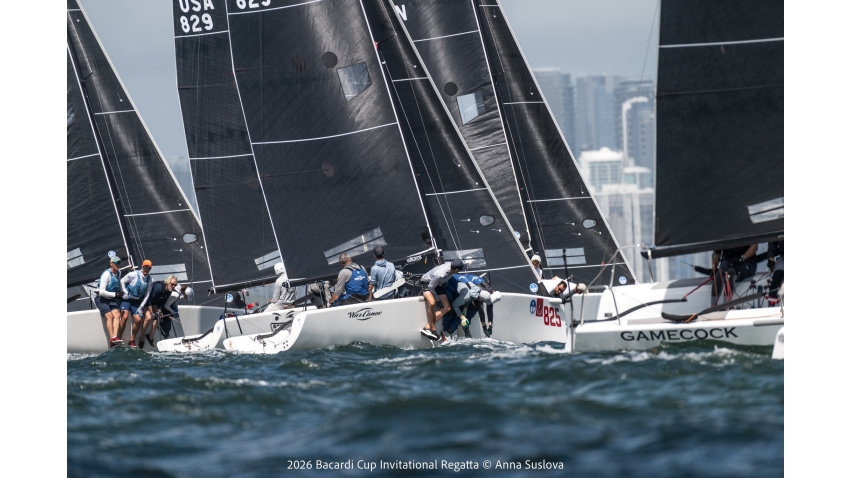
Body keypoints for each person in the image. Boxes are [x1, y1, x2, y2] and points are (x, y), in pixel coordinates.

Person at [418, 259, 465, 340]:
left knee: (447, 307)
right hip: (427, 283)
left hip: (438, 284)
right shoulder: (440, 274)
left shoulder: (451, 268)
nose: (459, 272)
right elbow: (431, 287)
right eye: (460, 270)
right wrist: (437, 299)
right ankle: (433, 330)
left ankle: (427, 328)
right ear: (456, 269)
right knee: (432, 303)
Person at [119, 259, 154, 348]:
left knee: (138, 320)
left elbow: (147, 295)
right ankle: (118, 338)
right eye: (145, 267)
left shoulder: (150, 280)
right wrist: (125, 292)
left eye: (148, 268)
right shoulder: (133, 274)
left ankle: (132, 340)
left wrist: (141, 307)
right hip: (127, 299)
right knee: (125, 316)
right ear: (142, 266)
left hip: (136, 302)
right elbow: (122, 281)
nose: (146, 270)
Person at [95, 256, 125, 348]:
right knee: (110, 316)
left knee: (117, 314)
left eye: (119, 263)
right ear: (111, 264)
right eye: (116, 263)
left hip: (111, 299)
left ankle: (115, 337)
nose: (118, 265)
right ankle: (112, 338)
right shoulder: (106, 274)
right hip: (101, 298)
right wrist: (115, 295)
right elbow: (101, 291)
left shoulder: (119, 273)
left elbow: (119, 285)